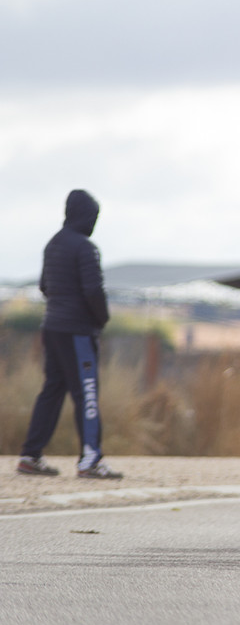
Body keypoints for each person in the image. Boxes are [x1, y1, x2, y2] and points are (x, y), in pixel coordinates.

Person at [17, 190, 121, 480]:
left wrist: (61, 306)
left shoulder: (53, 244)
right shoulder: (86, 247)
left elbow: (43, 286)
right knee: (86, 393)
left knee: (51, 390)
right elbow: (92, 291)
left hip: (52, 328)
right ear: (87, 216)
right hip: (77, 332)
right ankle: (90, 460)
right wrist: (102, 319)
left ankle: (30, 455)